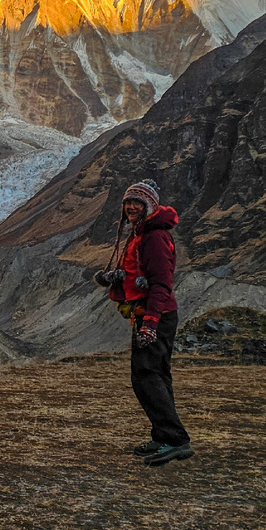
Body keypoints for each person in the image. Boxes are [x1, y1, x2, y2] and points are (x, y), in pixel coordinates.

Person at [94, 179, 193, 466]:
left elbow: (162, 284)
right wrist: (116, 278)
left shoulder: (154, 236)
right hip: (151, 313)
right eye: (128, 202)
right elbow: (143, 275)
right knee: (156, 375)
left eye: (138, 202)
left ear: (149, 206)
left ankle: (176, 440)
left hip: (155, 315)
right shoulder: (141, 233)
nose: (132, 206)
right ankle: (164, 436)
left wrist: (150, 323)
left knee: (146, 376)